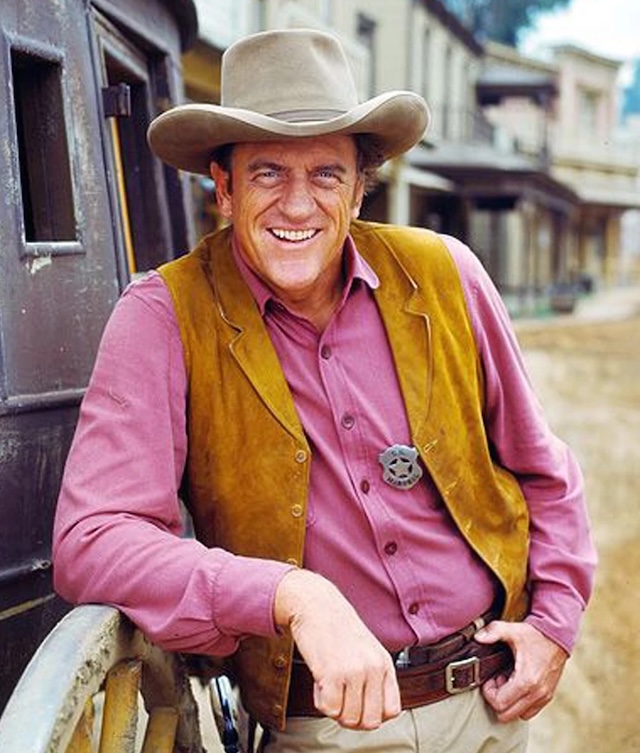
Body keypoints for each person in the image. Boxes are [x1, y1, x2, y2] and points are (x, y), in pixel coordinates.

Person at [53, 27, 596, 753]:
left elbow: (543, 469)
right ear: (224, 186)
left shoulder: (447, 275)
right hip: (326, 728)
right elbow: (92, 540)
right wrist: (292, 594)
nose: (298, 205)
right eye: (269, 173)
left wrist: (554, 622)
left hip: (489, 710)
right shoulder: (163, 314)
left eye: (327, 175)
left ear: (360, 186)